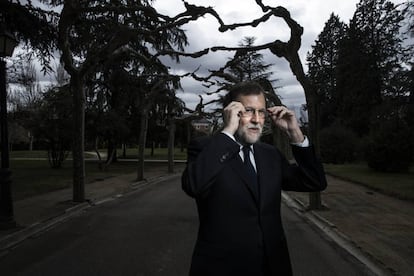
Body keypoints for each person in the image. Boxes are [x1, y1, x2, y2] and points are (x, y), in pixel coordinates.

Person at [181, 81, 327, 276]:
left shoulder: (270, 155)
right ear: (231, 113)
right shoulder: (206, 149)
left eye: (261, 112)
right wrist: (227, 132)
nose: (257, 120)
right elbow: (193, 185)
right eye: (248, 111)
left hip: (274, 267)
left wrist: (295, 133)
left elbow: (314, 181)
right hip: (222, 268)